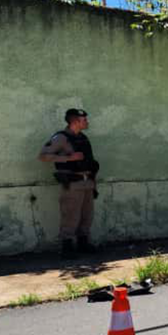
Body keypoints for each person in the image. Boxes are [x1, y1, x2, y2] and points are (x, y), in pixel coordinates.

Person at [39, 108, 100, 257]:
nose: (87, 122)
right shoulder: (61, 138)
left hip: (87, 182)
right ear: (74, 121)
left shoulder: (83, 137)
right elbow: (43, 156)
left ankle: (83, 244)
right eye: (84, 120)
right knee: (71, 216)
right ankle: (67, 248)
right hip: (72, 183)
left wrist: (94, 184)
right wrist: (69, 158)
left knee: (87, 215)